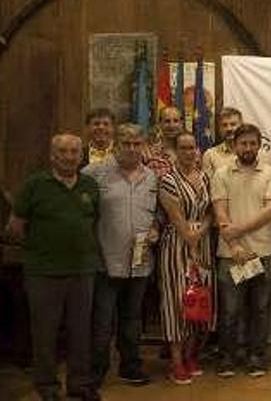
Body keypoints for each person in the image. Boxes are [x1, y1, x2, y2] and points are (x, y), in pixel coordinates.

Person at [9, 134, 101, 401]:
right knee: (45, 332)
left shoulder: (90, 185)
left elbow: (93, 222)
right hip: (43, 272)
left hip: (83, 271)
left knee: (81, 331)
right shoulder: (35, 185)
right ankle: (47, 386)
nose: (69, 156)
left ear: (81, 156)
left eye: (74, 151)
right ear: (52, 155)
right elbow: (15, 227)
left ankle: (79, 384)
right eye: (63, 151)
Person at [83, 124, 159, 388]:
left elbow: (157, 214)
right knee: (102, 323)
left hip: (139, 265)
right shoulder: (94, 173)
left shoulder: (151, 177)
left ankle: (130, 366)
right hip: (105, 262)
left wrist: (155, 229)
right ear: (116, 143)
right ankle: (95, 372)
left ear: (144, 145)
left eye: (137, 143)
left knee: (132, 320)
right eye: (126, 143)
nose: (131, 148)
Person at [212, 124, 271, 378]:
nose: (248, 148)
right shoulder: (221, 173)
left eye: (253, 143)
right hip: (231, 255)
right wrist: (234, 245)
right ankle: (228, 357)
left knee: (261, 310)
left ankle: (256, 357)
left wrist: (238, 230)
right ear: (235, 145)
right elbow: (220, 210)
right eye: (244, 143)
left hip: (265, 252)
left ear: (259, 145)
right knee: (230, 311)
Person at [157, 132, 214, 385]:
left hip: (203, 243)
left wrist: (200, 233)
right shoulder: (168, 179)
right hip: (177, 246)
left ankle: (192, 356)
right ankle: (176, 362)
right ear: (175, 151)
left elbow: (212, 211)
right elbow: (176, 216)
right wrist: (192, 240)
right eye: (183, 148)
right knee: (178, 303)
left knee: (200, 304)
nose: (188, 152)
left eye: (192, 147)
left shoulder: (205, 177)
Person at [202, 107, 245, 178]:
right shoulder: (210, 155)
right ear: (219, 129)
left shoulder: (257, 154)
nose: (229, 129)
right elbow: (208, 186)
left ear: (241, 126)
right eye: (224, 125)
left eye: (233, 124)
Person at [144, 106, 183, 178]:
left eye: (176, 121)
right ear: (160, 123)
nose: (172, 126)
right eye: (167, 121)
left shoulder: (192, 151)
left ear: (181, 123)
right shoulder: (148, 152)